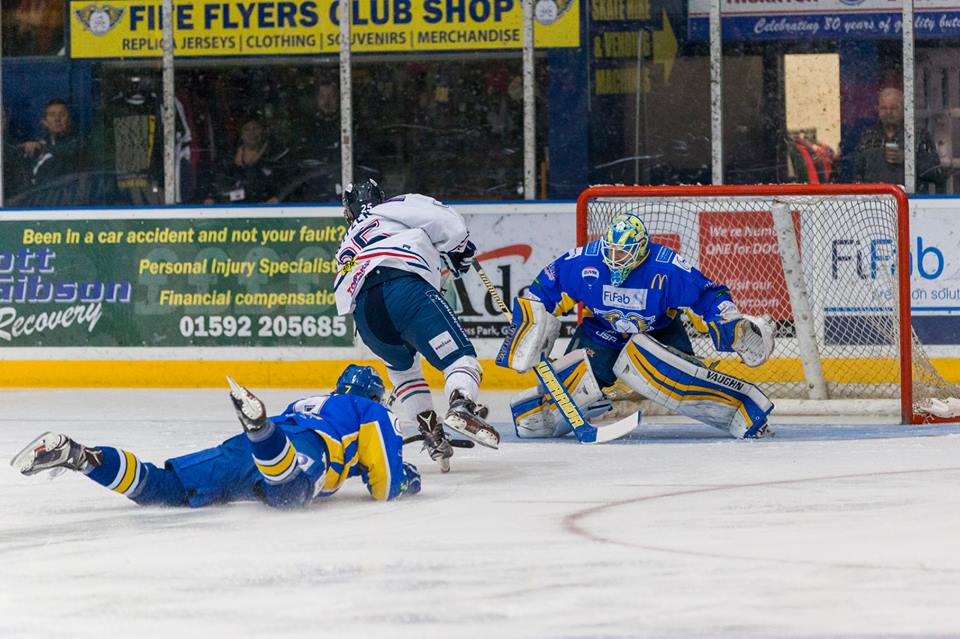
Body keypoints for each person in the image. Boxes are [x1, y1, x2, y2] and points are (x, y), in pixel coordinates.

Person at [497, 213, 776, 440]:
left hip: (659, 333)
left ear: (641, 249)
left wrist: (728, 319)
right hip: (603, 332)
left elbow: (707, 295)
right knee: (563, 396)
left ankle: (743, 409)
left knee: (677, 379)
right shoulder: (584, 261)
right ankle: (545, 412)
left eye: (623, 253)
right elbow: (546, 286)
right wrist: (530, 321)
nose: (615, 258)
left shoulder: (666, 268)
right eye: (611, 251)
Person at [10, 365, 420, 509]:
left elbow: (354, 460)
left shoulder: (309, 402)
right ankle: (260, 431)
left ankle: (81, 456)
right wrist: (407, 479)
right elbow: (385, 484)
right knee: (290, 495)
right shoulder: (372, 411)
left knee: (164, 490)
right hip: (300, 449)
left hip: (254, 450)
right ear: (373, 395)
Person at [334, 179, 500, 472]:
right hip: (404, 290)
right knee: (460, 359)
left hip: (365, 314)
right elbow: (450, 225)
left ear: (350, 209)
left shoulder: (347, 242)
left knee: (404, 371)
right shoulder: (394, 206)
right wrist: (460, 249)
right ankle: (462, 405)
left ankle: (432, 433)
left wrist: (449, 256)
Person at [853, 87, 943, 187]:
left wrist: (907, 160)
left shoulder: (918, 136)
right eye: (884, 108)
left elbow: (936, 173)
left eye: (894, 108)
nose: (888, 112)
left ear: (904, 109)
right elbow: (856, 176)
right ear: (878, 109)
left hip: (910, 196)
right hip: (875, 196)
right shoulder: (868, 137)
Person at [204, 113, 289, 204]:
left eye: (256, 128)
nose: (251, 133)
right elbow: (218, 184)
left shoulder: (277, 155)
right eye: (246, 129)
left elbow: (288, 183)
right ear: (241, 134)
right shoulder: (228, 157)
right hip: (235, 208)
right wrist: (212, 198)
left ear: (263, 131)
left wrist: (278, 197)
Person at [19, 99, 87, 186]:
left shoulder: (78, 143)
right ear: (44, 122)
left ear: (69, 120)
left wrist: (42, 147)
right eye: (52, 115)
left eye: (62, 114)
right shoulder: (38, 144)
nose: (57, 119)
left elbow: (67, 150)